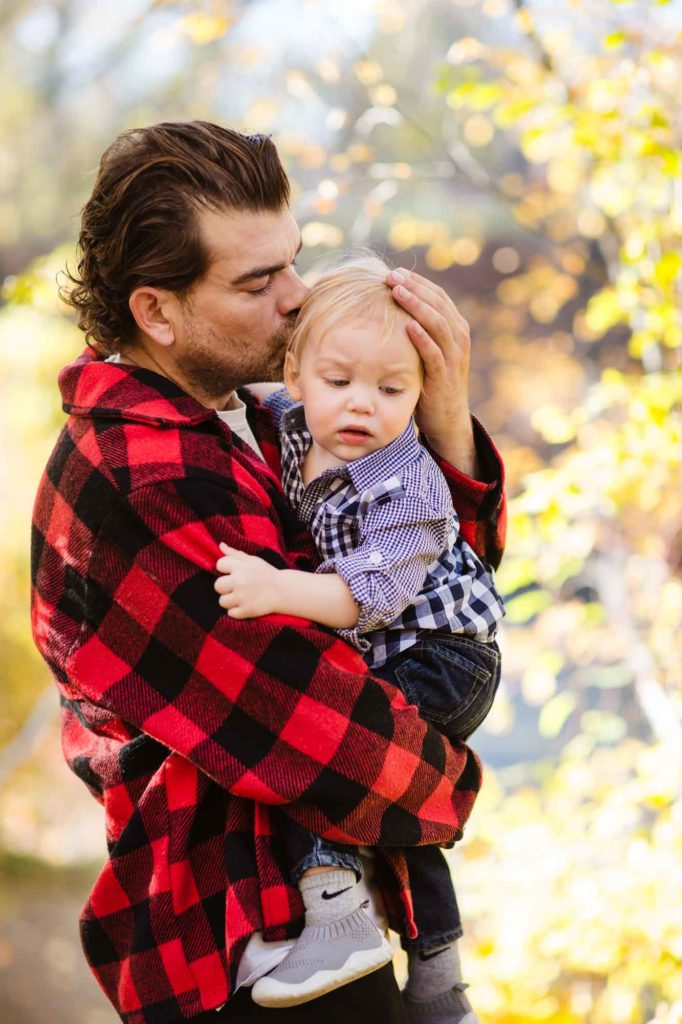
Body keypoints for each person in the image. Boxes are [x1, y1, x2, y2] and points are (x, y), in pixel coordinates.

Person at [30, 121, 506, 1024]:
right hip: (245, 943)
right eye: (257, 282)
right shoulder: (151, 475)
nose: (298, 297)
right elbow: (315, 729)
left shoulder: (258, 415)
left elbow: (421, 584)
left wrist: (443, 424)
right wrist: (457, 787)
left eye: (293, 261)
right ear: (157, 312)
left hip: (325, 908)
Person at [213, 256, 504, 1021]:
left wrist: (276, 589)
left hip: (445, 654)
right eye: (339, 381)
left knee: (333, 747)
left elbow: (364, 597)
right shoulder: (294, 418)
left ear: (420, 393)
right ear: (296, 374)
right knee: (394, 804)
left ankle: (337, 913)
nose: (361, 407)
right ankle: (442, 980)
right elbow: (249, 392)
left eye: (392, 389)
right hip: (393, 642)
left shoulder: (407, 483)